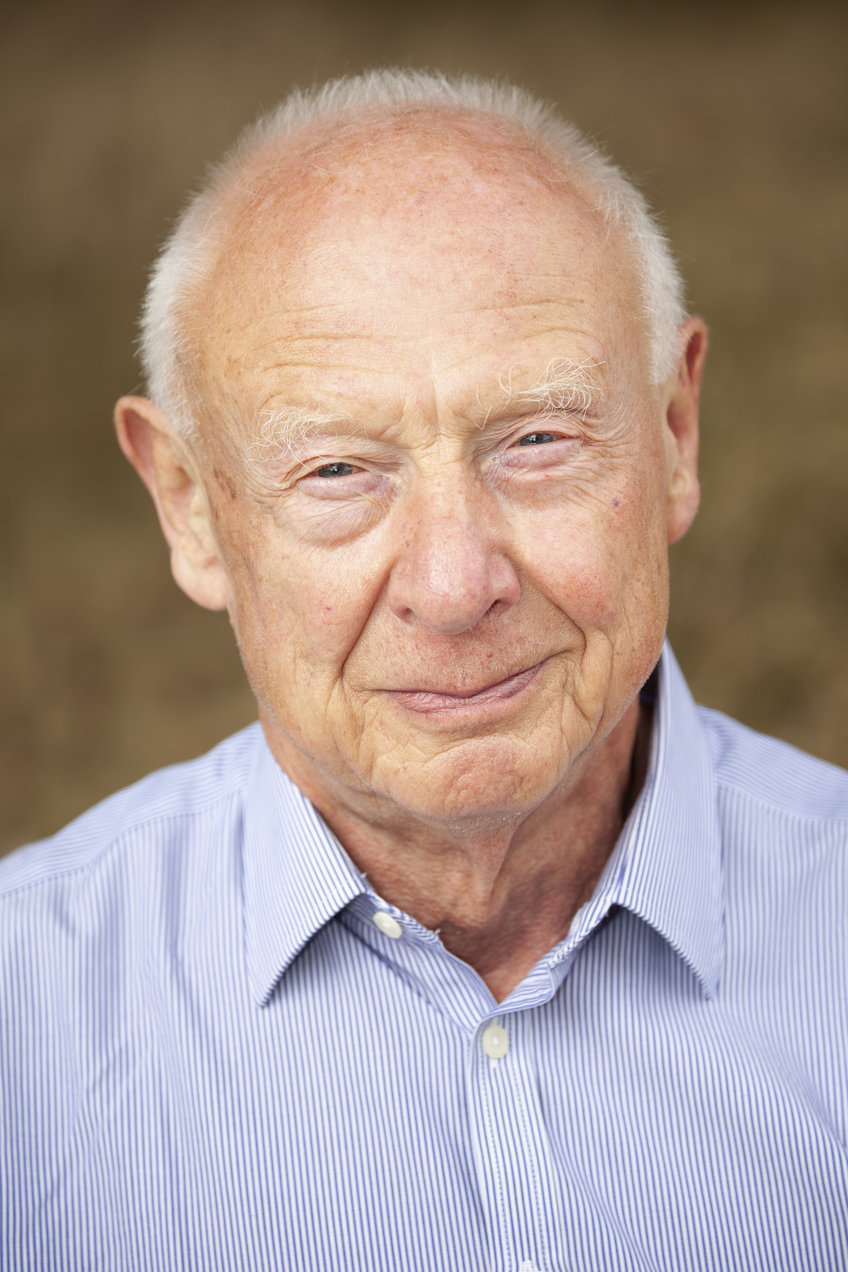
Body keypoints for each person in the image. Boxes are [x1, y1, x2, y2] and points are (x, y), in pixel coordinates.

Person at [2, 69, 846, 1272]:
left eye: (537, 441)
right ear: (189, 507)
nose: (454, 588)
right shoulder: (21, 1029)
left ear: (672, 434)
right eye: (339, 472)